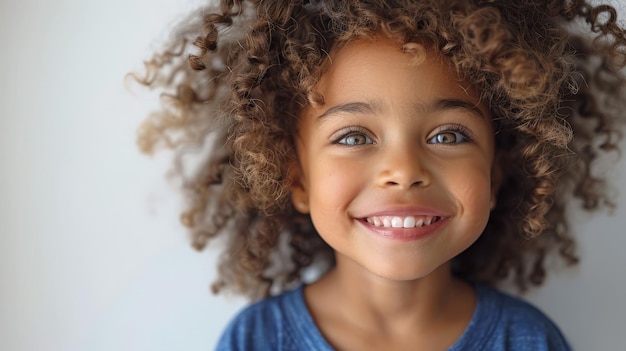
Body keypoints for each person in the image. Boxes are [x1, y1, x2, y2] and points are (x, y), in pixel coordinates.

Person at [133, 0, 626, 349]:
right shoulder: (258, 340)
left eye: (448, 135)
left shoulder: (528, 342)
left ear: (496, 175)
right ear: (297, 178)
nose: (404, 171)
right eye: (353, 137)